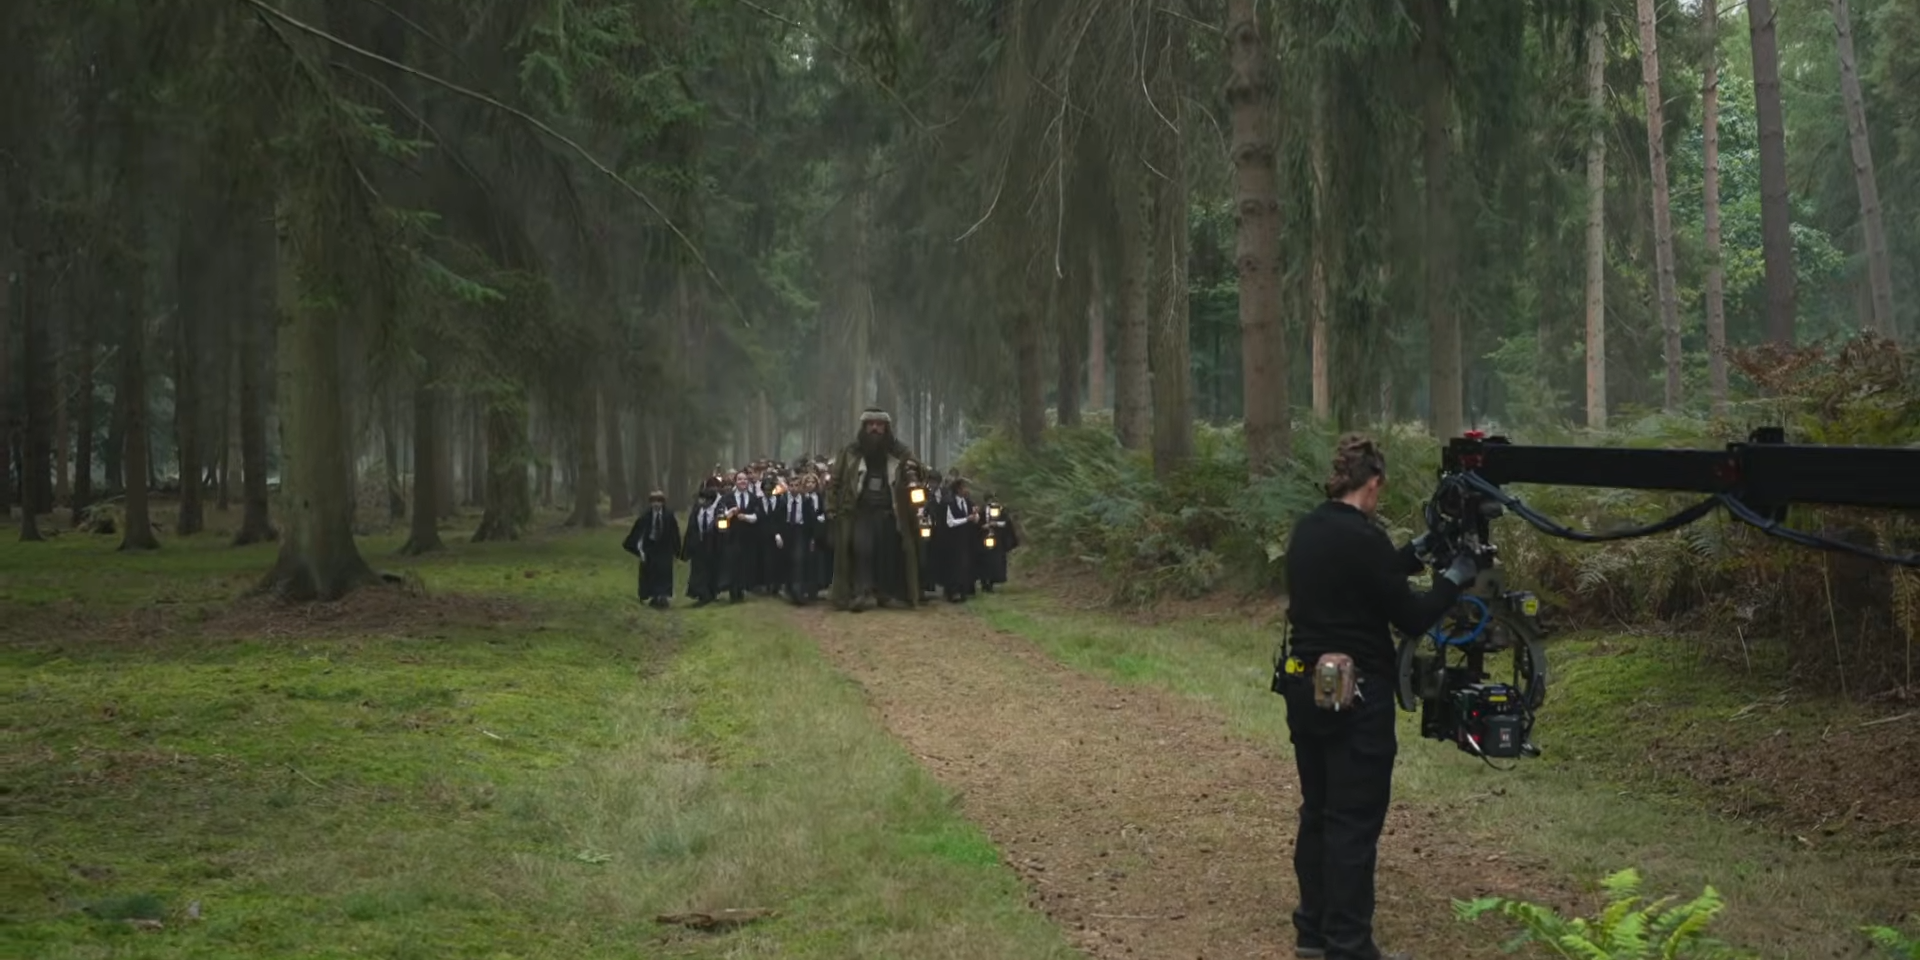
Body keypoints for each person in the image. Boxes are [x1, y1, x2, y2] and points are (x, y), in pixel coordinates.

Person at [1277, 433, 1476, 960]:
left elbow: (1364, 577)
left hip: (1304, 687)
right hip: (1357, 697)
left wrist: (1416, 552)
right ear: (1373, 484)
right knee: (1353, 821)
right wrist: (1453, 580)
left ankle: (1313, 932)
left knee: (1319, 812)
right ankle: (1349, 944)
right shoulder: (1365, 538)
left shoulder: (1309, 529)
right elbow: (1410, 615)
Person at [826, 408, 926, 611]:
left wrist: (913, 470)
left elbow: (920, 473)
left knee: (888, 553)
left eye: (879, 425)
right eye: (870, 424)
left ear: (886, 428)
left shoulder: (900, 452)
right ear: (864, 427)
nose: (874, 428)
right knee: (862, 549)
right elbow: (835, 481)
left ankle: (886, 594)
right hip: (859, 512)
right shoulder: (850, 452)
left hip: (890, 513)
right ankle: (860, 592)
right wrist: (831, 506)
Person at [621, 490, 681, 609]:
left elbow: (674, 533)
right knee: (650, 571)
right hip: (650, 546)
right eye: (654, 501)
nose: (656, 504)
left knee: (664, 571)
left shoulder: (669, 516)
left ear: (663, 502)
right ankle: (652, 596)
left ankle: (663, 596)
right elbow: (638, 531)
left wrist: (676, 551)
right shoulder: (645, 516)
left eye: (659, 501)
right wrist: (638, 548)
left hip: (664, 546)